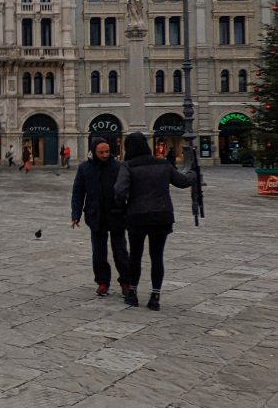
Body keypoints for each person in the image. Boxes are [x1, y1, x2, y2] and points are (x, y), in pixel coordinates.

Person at [115, 132, 196, 310]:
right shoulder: (162, 164)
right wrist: (192, 173)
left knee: (135, 256)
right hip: (162, 216)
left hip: (137, 216)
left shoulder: (128, 166)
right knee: (157, 257)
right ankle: (155, 296)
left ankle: (133, 293)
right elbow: (182, 182)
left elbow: (120, 191)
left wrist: (123, 207)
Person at [71, 137, 132, 298]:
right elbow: (78, 191)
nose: (105, 154)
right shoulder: (85, 168)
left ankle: (126, 282)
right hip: (95, 215)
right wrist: (75, 214)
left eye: (107, 151)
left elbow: (128, 190)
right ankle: (102, 282)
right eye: (101, 152)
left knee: (120, 252)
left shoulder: (119, 167)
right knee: (99, 253)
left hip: (116, 214)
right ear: (94, 152)